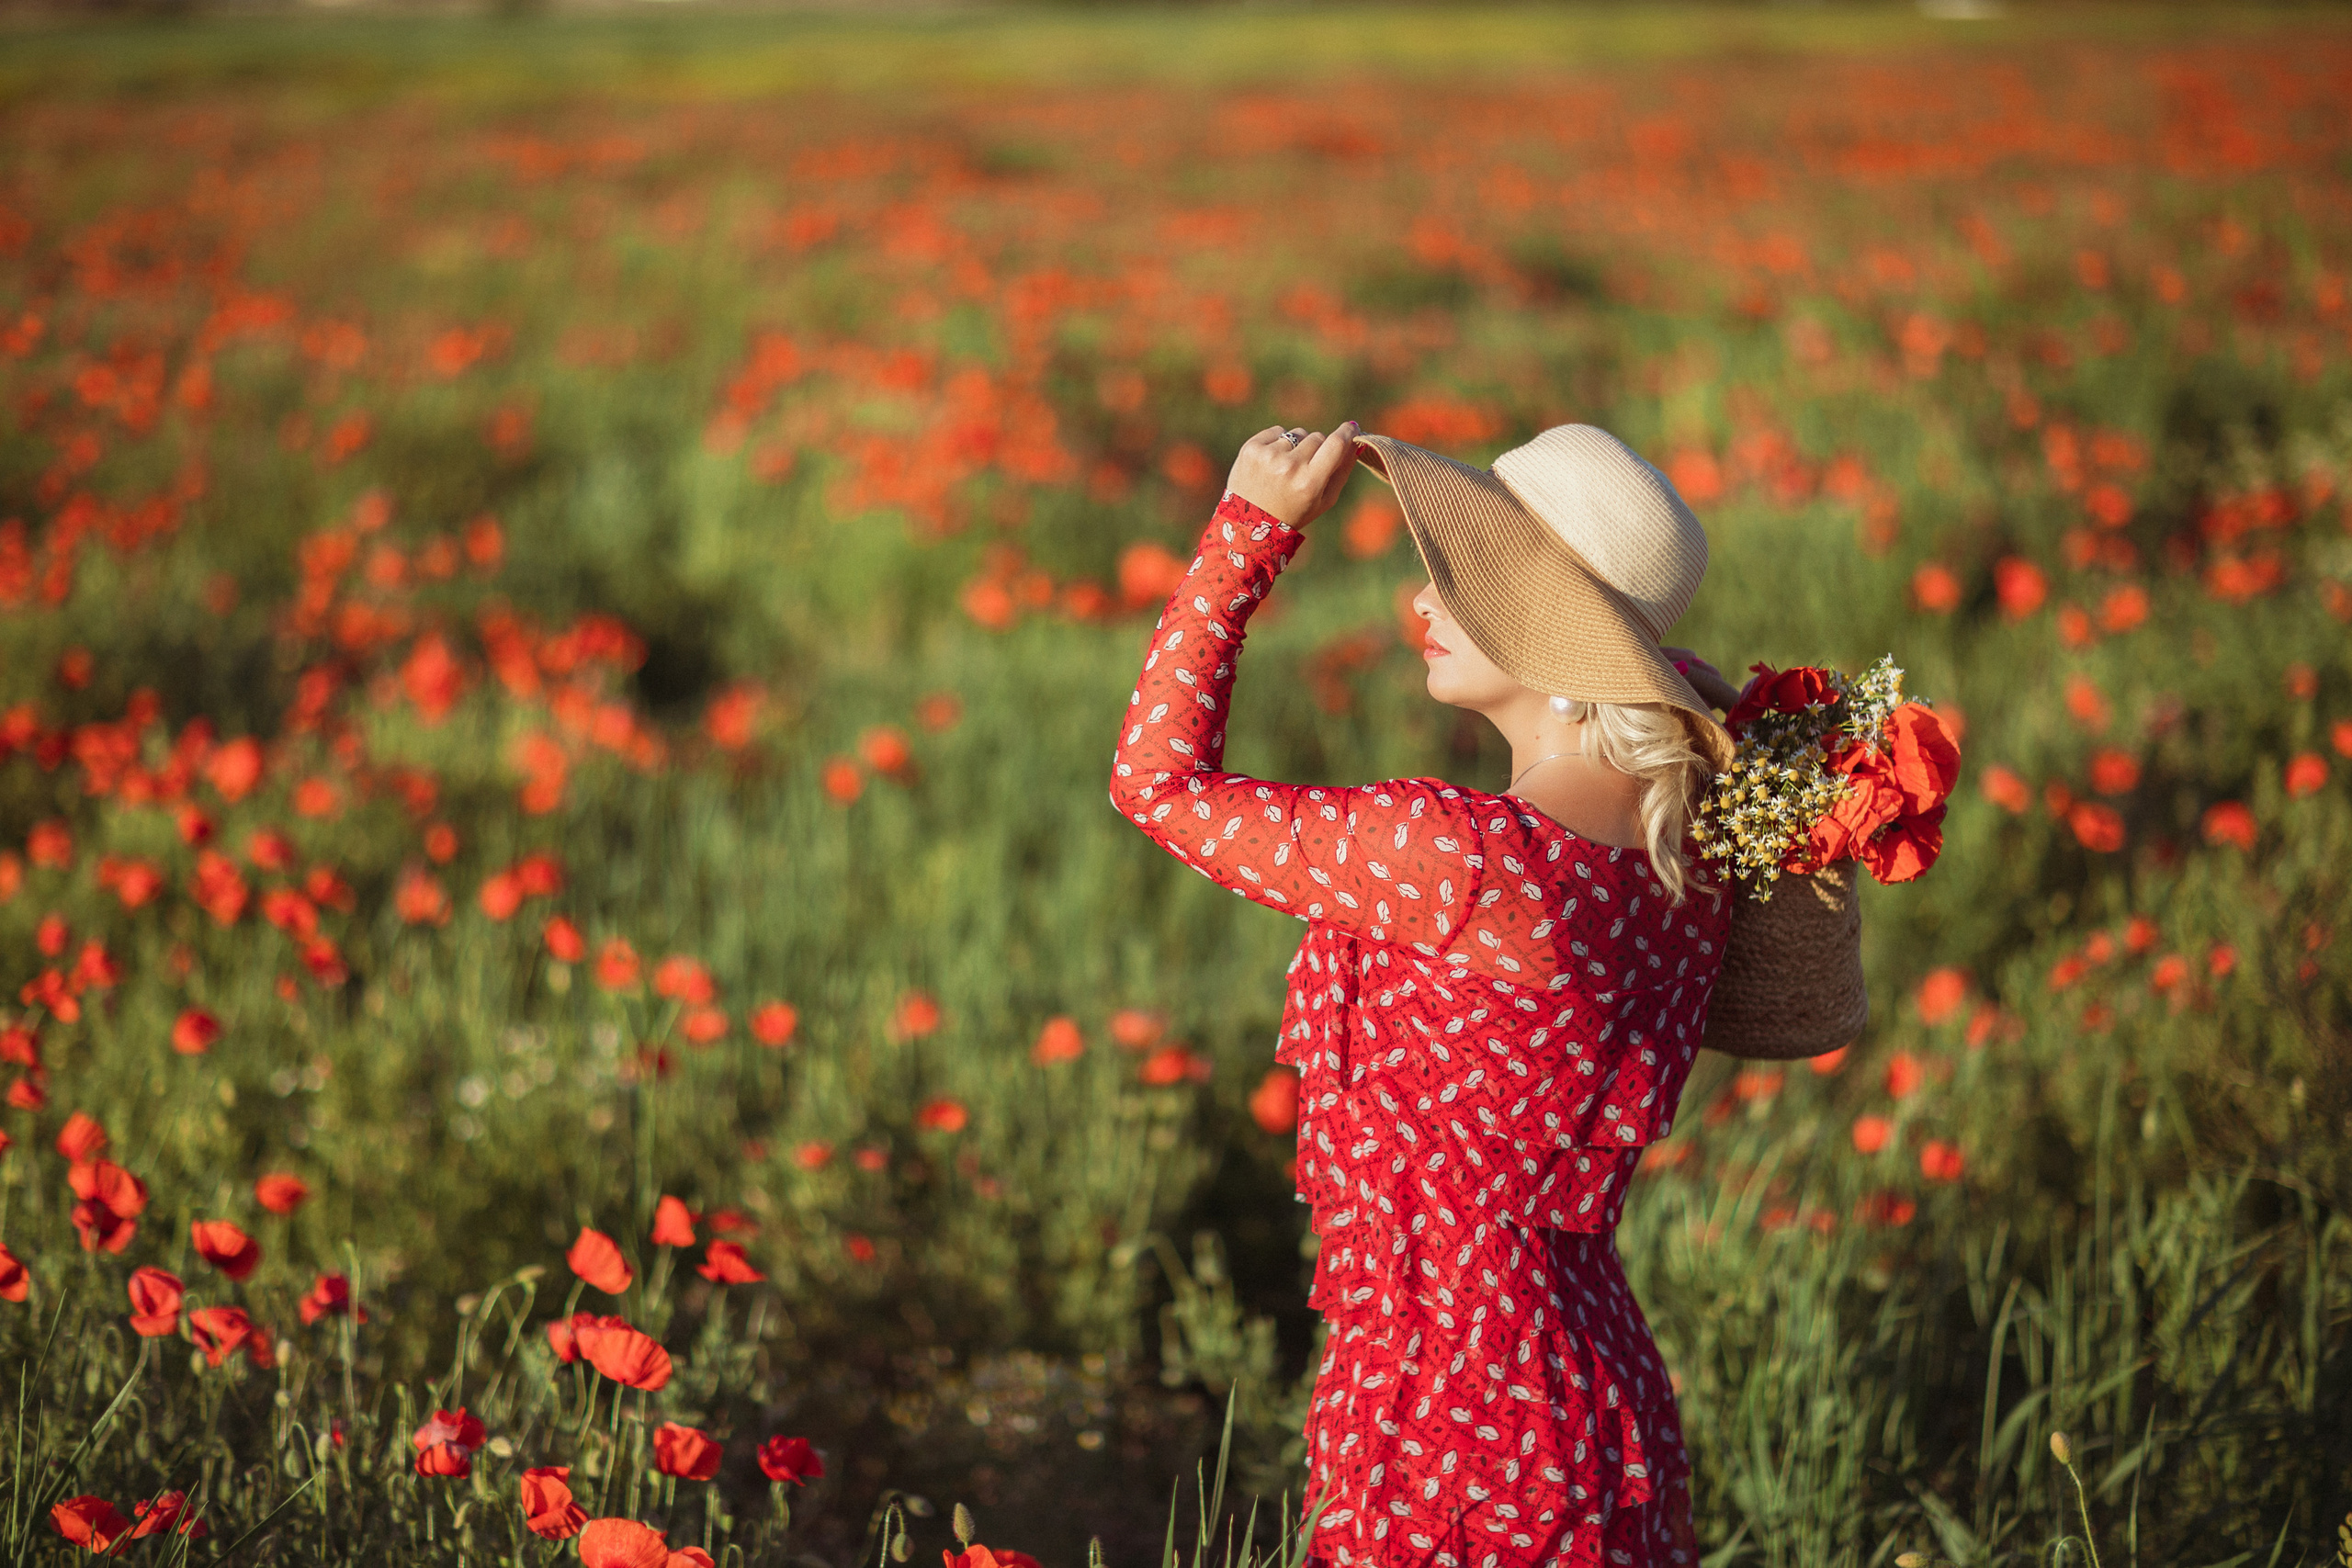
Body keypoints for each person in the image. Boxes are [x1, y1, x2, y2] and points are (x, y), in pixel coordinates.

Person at [1108, 418, 1744, 1568]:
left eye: (1458, 576)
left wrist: (1247, 538)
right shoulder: (1687, 866)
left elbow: (1153, 783)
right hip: (1589, 1391)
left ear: (1550, 630)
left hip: (1444, 1404)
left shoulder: (1455, 854)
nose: (1419, 600)